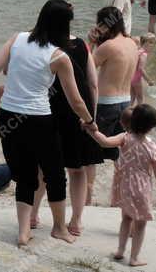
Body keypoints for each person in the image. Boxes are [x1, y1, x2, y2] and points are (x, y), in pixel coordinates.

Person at [0, 0, 97, 247]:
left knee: (25, 176)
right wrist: (90, 121)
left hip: (8, 117)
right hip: (39, 120)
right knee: (55, 174)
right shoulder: (59, 56)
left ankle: (23, 232)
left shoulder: (17, 39)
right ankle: (59, 228)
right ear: (64, 26)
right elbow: (76, 100)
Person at [89, 105, 156, 267]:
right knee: (140, 224)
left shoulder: (125, 138)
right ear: (153, 126)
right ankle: (134, 258)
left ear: (130, 122)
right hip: (141, 188)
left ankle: (120, 251)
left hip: (124, 184)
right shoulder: (153, 147)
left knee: (126, 218)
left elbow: (104, 142)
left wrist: (91, 129)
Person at [49, 27, 102, 236]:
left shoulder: (45, 45)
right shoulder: (82, 44)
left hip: (50, 108)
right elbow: (93, 83)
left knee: (45, 168)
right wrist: (92, 116)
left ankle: (33, 215)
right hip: (79, 111)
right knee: (77, 169)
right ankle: (76, 221)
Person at [92, 7, 139, 161]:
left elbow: (86, 69)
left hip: (106, 103)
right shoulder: (132, 44)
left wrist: (91, 42)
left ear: (105, 25)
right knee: (118, 149)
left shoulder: (108, 46)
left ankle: (90, 185)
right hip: (125, 102)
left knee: (94, 151)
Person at [130, 33, 156, 106]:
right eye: (152, 43)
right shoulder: (144, 54)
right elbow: (141, 69)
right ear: (146, 43)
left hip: (130, 77)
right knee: (140, 98)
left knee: (132, 96)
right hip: (137, 79)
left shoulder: (137, 50)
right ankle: (139, 113)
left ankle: (128, 112)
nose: (153, 46)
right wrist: (149, 80)